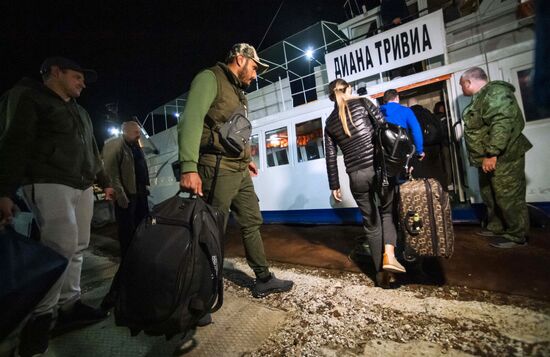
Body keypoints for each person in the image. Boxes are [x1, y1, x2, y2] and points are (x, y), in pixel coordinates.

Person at [0, 57, 114, 356]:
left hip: (83, 184)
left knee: (78, 247)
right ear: (55, 72)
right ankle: (40, 318)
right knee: (59, 249)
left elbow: (92, 150)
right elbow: (15, 142)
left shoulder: (81, 112)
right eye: (77, 76)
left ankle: (69, 306)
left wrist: (106, 181)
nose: (83, 83)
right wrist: (4, 191)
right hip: (48, 180)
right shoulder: (30, 97)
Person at [177, 43, 293, 300]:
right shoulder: (210, 78)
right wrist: (188, 166)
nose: (255, 74)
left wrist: (247, 157)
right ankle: (197, 295)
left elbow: (235, 130)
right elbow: (191, 120)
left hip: (238, 168)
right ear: (240, 60)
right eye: (254, 68)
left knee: (252, 221)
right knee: (210, 230)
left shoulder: (239, 91)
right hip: (216, 167)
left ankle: (263, 278)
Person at [324, 78, 406, 288]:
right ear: (349, 89)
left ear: (331, 97)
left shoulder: (329, 122)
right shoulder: (363, 102)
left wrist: (334, 185)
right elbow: (384, 129)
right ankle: (389, 257)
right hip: (379, 170)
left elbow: (330, 157)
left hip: (356, 177)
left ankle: (380, 275)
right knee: (387, 214)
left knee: (371, 225)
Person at [459, 67, 532, 248]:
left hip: (503, 157)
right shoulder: (482, 97)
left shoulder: (496, 92)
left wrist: (492, 153)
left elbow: (502, 123)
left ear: (468, 82)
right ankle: (497, 226)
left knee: (507, 195)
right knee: (490, 194)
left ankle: (517, 235)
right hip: (487, 158)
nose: (462, 89)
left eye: (462, 85)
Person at [100, 120, 150, 310]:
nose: (139, 134)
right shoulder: (115, 144)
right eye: (136, 131)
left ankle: (139, 264)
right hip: (127, 197)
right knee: (128, 236)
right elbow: (111, 172)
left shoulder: (135, 145)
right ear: (126, 131)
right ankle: (127, 273)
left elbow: (139, 169)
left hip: (139, 195)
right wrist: (120, 196)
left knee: (142, 230)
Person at [380, 89, 425, 161]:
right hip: (404, 150)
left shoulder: (379, 112)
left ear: (385, 100)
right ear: (397, 97)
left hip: (386, 152)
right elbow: (416, 130)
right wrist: (419, 151)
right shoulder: (406, 111)